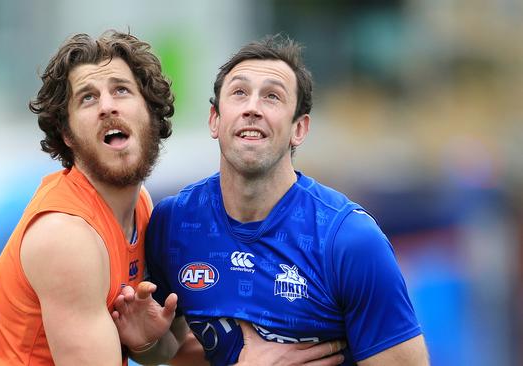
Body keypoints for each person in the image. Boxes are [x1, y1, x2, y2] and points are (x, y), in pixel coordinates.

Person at [0, 30, 345, 366]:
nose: (107, 106)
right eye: (88, 98)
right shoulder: (65, 235)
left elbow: (166, 348)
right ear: (67, 135)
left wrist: (151, 345)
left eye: (121, 90)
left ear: (151, 114)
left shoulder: (142, 208)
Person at [112, 35, 429, 365]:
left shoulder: (350, 240)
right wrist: (147, 344)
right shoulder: (173, 223)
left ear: (299, 129)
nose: (252, 108)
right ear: (214, 120)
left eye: (272, 97)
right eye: (239, 93)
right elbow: (172, 350)